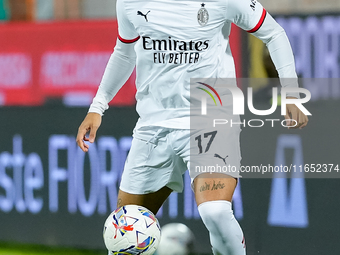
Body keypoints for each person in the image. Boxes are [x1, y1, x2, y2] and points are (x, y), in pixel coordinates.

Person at [76, 0, 308, 254]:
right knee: (126, 230)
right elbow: (124, 51)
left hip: (211, 116)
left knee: (216, 211)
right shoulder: (131, 2)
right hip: (154, 125)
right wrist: (98, 106)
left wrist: (291, 91)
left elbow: (274, 32)